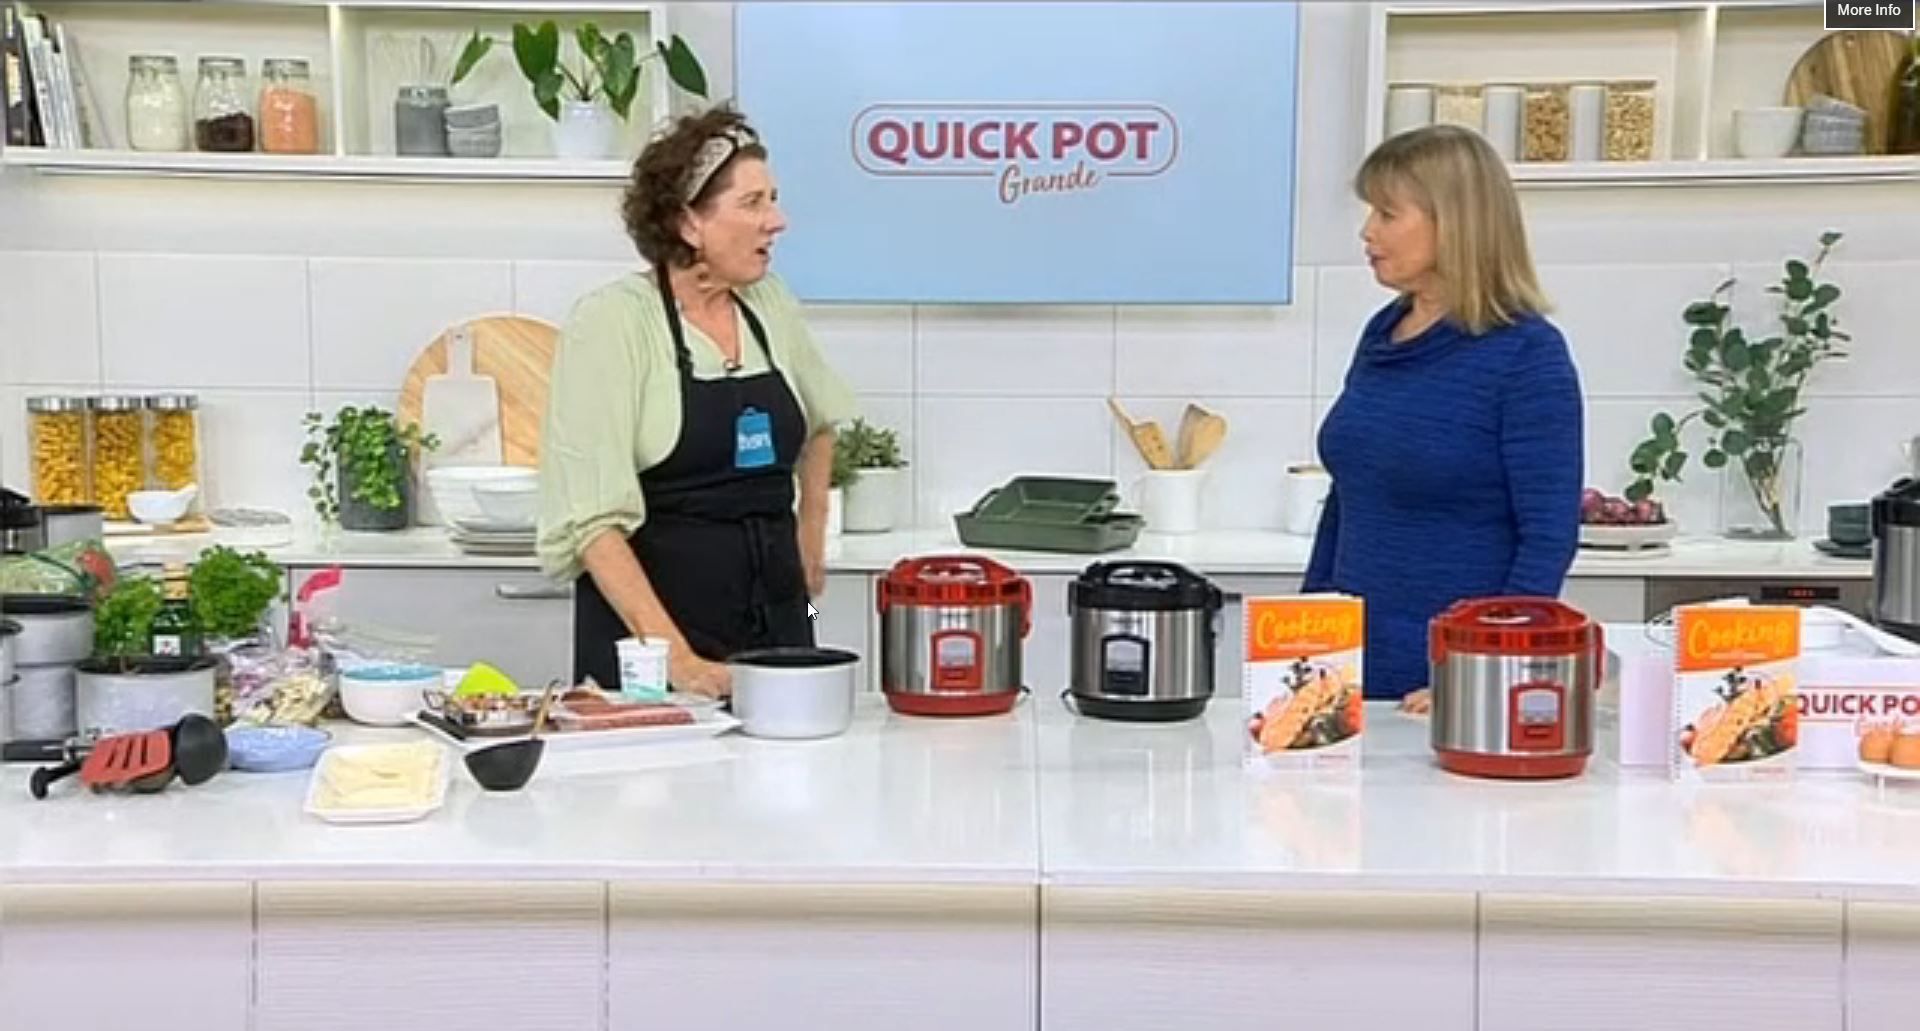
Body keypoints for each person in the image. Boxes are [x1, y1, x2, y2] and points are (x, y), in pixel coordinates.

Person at [537, 105, 857, 699]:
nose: (777, 221)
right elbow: (593, 526)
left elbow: (820, 420)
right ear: (688, 222)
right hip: (652, 644)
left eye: (774, 199)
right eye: (752, 203)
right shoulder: (611, 324)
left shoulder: (768, 303)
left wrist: (810, 533)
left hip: (779, 622)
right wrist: (681, 664)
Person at [1304, 124, 1583, 713]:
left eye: (1387, 214)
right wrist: (1311, 636)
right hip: (1349, 671)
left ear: (1453, 222)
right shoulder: (1383, 334)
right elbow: (1348, 497)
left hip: (1448, 688)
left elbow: (1548, 537)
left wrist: (1481, 672)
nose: (1367, 231)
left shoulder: (1527, 354)